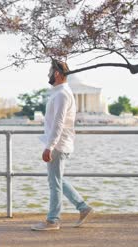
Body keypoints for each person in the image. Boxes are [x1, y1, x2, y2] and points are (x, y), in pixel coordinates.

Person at [31, 60, 94, 231]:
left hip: (58, 145)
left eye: (50, 71)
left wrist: (49, 147)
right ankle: (83, 207)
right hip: (59, 143)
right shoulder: (60, 93)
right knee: (57, 180)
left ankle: (53, 221)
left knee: (54, 183)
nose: (48, 74)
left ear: (57, 73)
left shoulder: (62, 94)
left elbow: (58, 123)